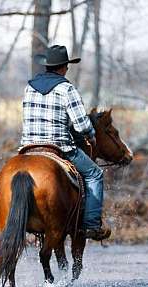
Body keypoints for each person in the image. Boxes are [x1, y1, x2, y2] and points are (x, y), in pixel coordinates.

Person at [21, 45, 111, 241]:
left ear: (47, 66)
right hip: (59, 147)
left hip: (27, 148)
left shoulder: (29, 87)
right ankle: (92, 225)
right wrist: (91, 134)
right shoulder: (66, 88)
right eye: (67, 67)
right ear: (63, 68)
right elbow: (81, 125)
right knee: (95, 174)